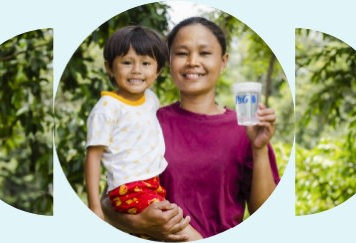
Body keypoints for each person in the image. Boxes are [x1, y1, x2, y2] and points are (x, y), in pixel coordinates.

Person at [101, 17, 280, 241]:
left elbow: (265, 215)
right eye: (182, 53)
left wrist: (260, 149)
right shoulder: (145, 121)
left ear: (223, 61)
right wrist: (140, 222)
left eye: (204, 53)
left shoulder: (247, 129)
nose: (192, 61)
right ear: (168, 61)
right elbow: (108, 201)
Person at [84, 25, 202, 241]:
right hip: (127, 188)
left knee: (158, 232)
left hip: (153, 184)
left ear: (157, 71)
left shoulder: (151, 100)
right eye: (127, 62)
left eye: (146, 63)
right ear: (109, 68)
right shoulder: (106, 108)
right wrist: (94, 208)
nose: (137, 70)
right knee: (185, 233)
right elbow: (93, 157)